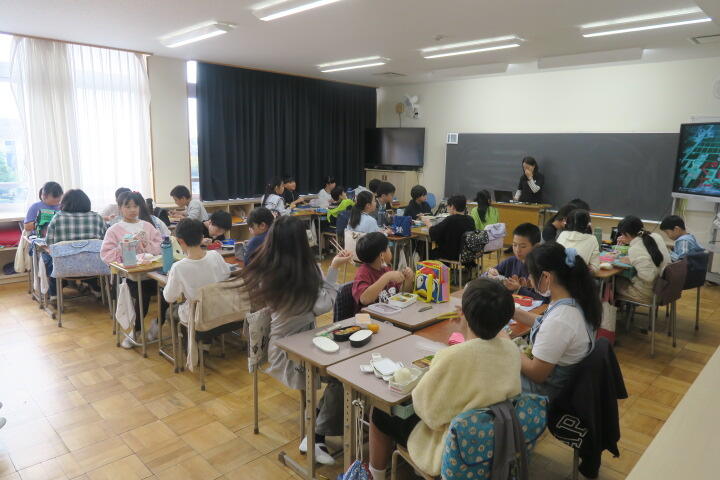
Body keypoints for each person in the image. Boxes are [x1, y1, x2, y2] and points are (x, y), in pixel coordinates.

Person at [368, 279, 521, 479]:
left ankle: (375, 475)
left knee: (381, 412)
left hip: (452, 445)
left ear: (463, 313)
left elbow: (428, 412)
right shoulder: (512, 350)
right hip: (495, 437)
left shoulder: (452, 357)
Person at [240, 216, 353, 465]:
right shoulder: (304, 272)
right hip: (291, 350)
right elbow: (323, 305)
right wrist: (334, 271)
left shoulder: (269, 269)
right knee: (340, 376)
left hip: (289, 341)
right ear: (301, 241)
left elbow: (316, 302)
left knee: (339, 374)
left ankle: (316, 430)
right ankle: (315, 435)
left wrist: (332, 269)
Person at [507, 243, 601, 400]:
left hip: (544, 395)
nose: (529, 279)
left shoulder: (561, 319)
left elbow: (537, 374)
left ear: (546, 277)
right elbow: (546, 323)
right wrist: (512, 311)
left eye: (531, 275)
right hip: (558, 382)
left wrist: (505, 344)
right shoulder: (573, 300)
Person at [101, 192, 165, 347]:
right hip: (129, 277)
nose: (132, 210)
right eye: (128, 206)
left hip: (152, 273)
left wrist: (147, 243)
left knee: (168, 290)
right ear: (120, 208)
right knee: (143, 295)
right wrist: (125, 246)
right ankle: (135, 330)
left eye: (135, 206)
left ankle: (158, 323)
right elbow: (106, 255)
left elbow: (160, 247)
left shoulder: (147, 226)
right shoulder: (114, 230)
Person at [163, 218, 231, 329]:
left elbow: (169, 298)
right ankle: (208, 338)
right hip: (220, 309)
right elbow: (227, 274)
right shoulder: (215, 255)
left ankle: (189, 338)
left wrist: (170, 279)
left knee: (169, 313)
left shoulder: (178, 267)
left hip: (198, 317)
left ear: (180, 241)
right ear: (202, 237)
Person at [44, 189, 107, 299]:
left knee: (49, 257)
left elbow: (49, 242)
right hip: (94, 268)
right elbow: (105, 241)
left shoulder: (58, 218)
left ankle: (54, 293)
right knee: (88, 256)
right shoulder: (97, 218)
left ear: (64, 203)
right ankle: (95, 287)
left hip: (64, 268)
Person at [615, 215, 671, 304]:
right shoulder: (656, 236)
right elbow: (649, 257)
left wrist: (632, 276)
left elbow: (648, 277)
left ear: (627, 234)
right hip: (663, 289)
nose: (621, 236)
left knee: (611, 282)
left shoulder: (635, 249)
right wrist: (633, 260)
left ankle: (614, 311)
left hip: (648, 294)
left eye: (622, 234)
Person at [485, 223, 547, 302]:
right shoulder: (511, 261)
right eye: (514, 245)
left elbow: (545, 300)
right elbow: (484, 277)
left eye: (523, 246)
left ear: (536, 246)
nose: (517, 250)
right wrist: (489, 273)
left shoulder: (542, 268)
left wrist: (519, 289)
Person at [352, 232, 414, 308]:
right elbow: (364, 299)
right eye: (388, 248)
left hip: (390, 311)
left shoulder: (386, 269)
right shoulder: (363, 273)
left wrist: (408, 280)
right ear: (382, 255)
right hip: (370, 314)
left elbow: (401, 293)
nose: (390, 250)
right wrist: (386, 277)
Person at [424, 194, 475, 261]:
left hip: (452, 255)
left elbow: (434, 233)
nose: (447, 208)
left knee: (427, 253)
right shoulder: (470, 219)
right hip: (467, 254)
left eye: (448, 206)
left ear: (452, 207)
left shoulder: (451, 219)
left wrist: (429, 224)